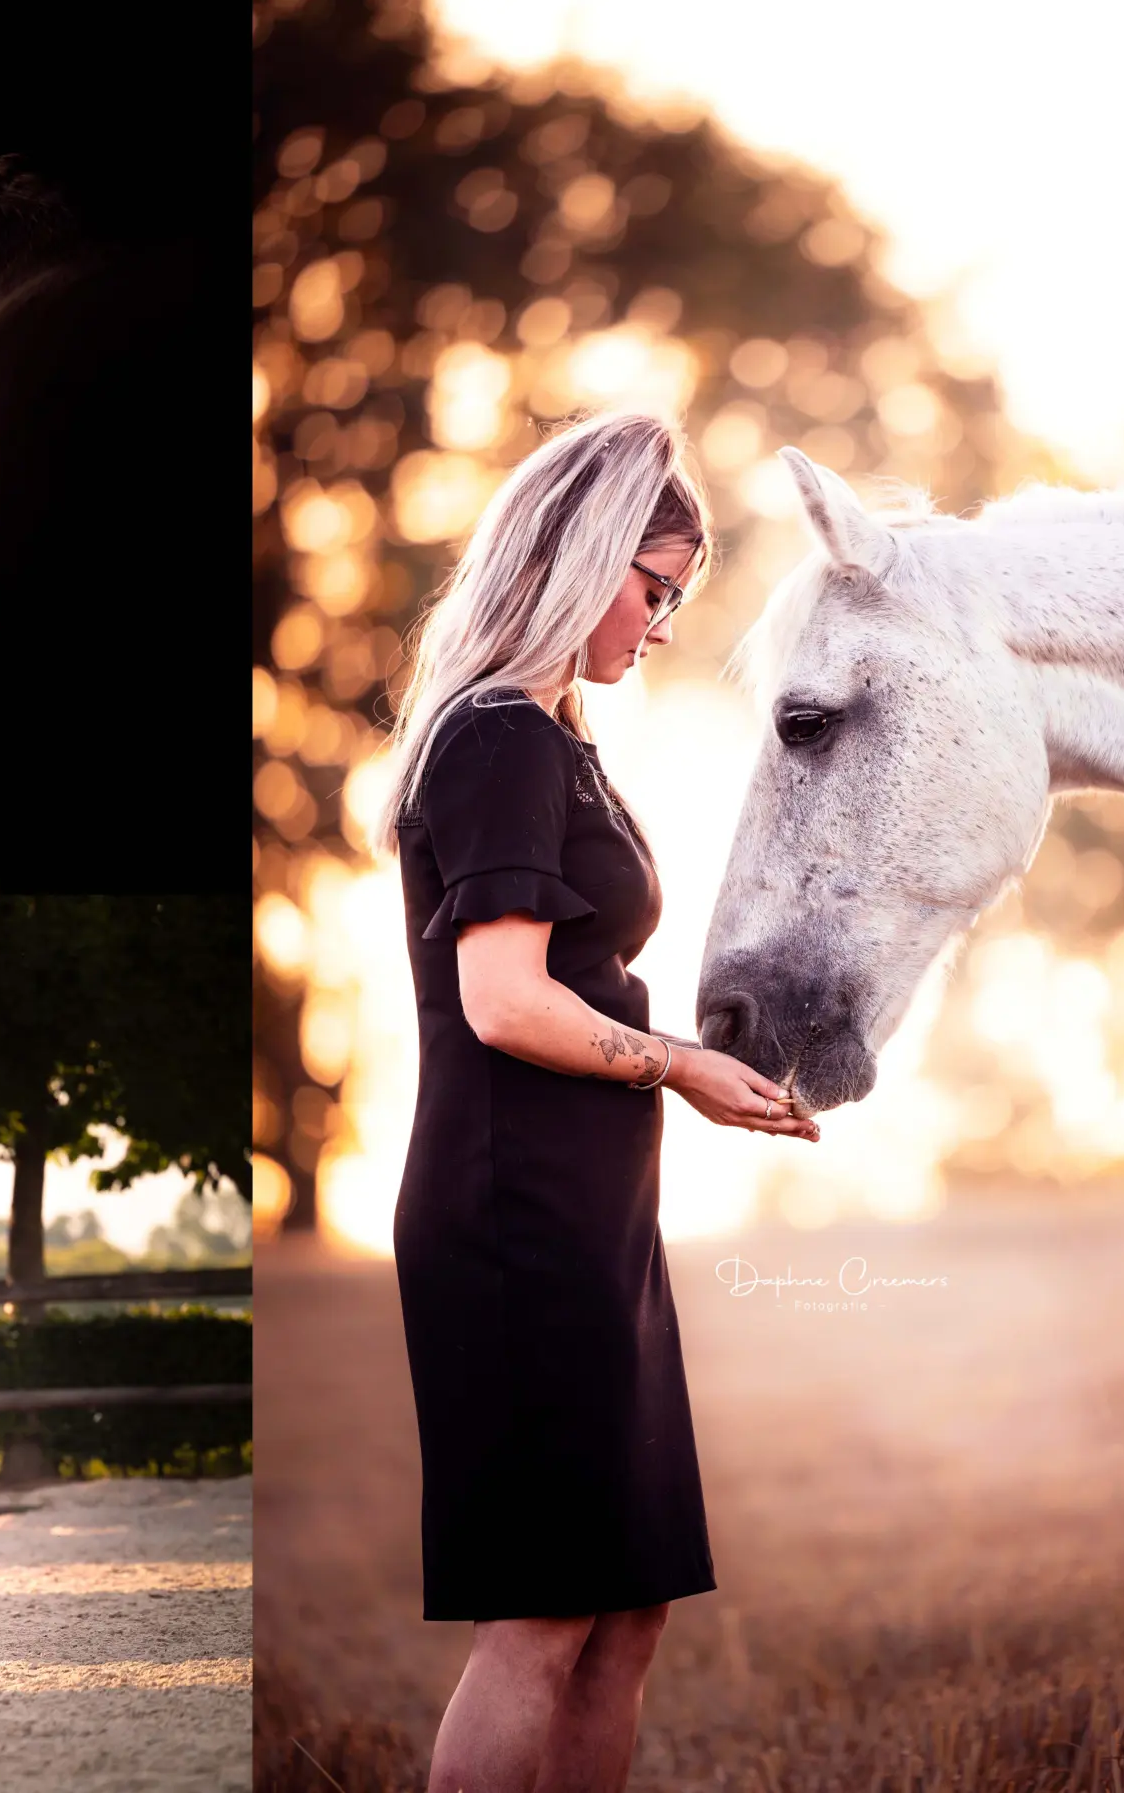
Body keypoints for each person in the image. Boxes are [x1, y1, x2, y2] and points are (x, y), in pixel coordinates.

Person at [369, 410, 822, 1793]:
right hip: (516, 1224)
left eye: (679, 592)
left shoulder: (553, 737)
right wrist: (679, 1064)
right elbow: (503, 999)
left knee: (628, 1610)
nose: (669, 623)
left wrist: (694, 1057)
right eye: (659, 585)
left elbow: (574, 981)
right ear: (580, 560)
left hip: (593, 1220)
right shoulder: (496, 736)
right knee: (549, 1609)